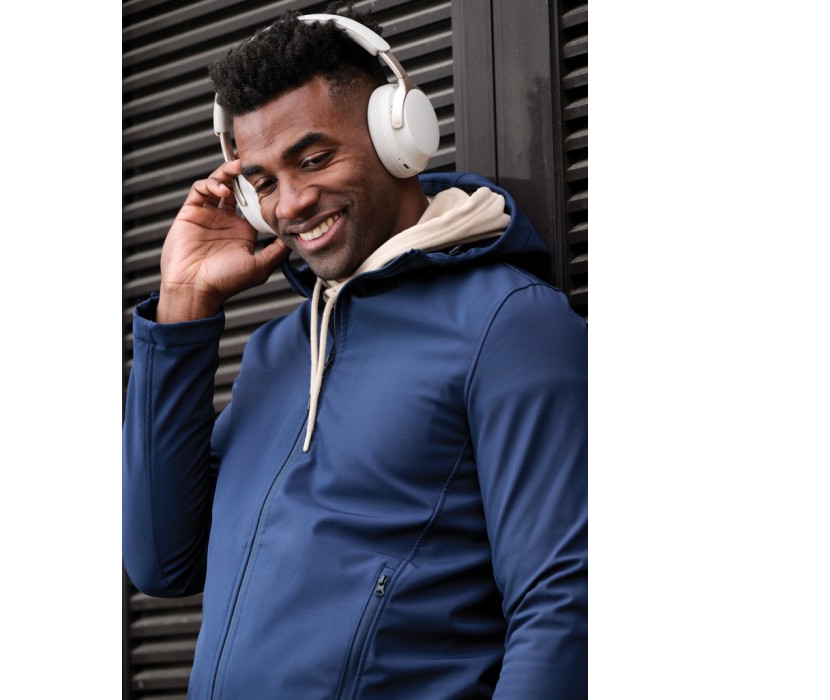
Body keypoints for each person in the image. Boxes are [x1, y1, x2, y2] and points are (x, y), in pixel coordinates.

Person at [123, 4, 587, 698]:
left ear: (400, 136)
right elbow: (161, 562)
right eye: (264, 182)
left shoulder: (508, 324)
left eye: (314, 160)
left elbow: (563, 605)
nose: (290, 203)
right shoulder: (277, 352)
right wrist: (184, 305)